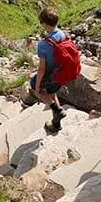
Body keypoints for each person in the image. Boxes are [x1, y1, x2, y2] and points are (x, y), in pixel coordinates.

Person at [30, 7, 70, 135]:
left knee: (37, 87)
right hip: (61, 73)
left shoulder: (43, 44)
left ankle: (56, 109)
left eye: (41, 22)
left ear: (45, 24)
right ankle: (56, 123)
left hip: (49, 75)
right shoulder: (63, 35)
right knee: (52, 93)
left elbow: (42, 69)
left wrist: (36, 87)